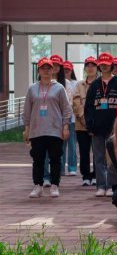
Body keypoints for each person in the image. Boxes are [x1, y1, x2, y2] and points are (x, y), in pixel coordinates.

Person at [23, 57, 72, 198]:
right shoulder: (32, 89)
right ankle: (37, 186)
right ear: (38, 71)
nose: (46, 71)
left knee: (55, 159)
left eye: (48, 68)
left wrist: (65, 127)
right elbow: (27, 110)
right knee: (38, 159)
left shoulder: (59, 88)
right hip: (37, 130)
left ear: (53, 70)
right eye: (43, 68)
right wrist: (27, 128)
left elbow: (66, 109)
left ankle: (55, 185)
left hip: (55, 130)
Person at [85, 52, 117, 197]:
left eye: (107, 64)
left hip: (115, 127)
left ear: (112, 65)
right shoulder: (94, 85)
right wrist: (89, 125)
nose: (104, 66)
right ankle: (101, 185)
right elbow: (88, 107)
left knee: (113, 157)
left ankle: (112, 185)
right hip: (97, 127)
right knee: (98, 157)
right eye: (102, 64)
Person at [72, 56, 98, 186]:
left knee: (98, 151)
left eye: (93, 65)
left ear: (97, 68)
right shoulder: (79, 85)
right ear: (85, 68)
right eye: (88, 65)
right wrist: (85, 120)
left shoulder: (101, 84)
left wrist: (94, 121)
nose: (90, 68)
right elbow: (76, 103)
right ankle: (86, 176)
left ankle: (96, 175)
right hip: (81, 125)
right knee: (84, 152)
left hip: (98, 125)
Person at [62, 60, 78, 176]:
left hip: (72, 119)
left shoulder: (76, 83)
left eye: (68, 69)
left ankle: (72, 167)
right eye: (64, 69)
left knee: (72, 144)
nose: (66, 71)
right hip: (60, 119)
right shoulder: (59, 82)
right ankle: (61, 168)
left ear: (72, 70)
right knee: (61, 145)